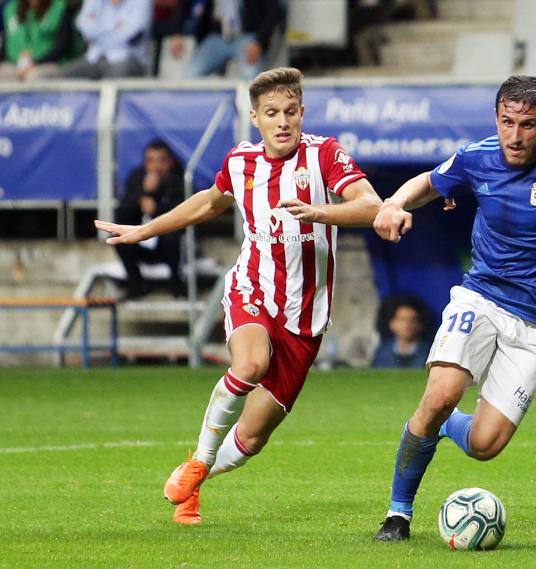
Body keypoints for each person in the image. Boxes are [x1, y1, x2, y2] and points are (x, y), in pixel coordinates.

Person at [94, 67, 382, 525]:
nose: (282, 122)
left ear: (302, 112)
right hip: (253, 288)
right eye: (272, 113)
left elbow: (372, 207)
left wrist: (319, 210)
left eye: (290, 112)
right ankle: (199, 462)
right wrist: (145, 229)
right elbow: (210, 201)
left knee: (251, 439)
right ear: (255, 118)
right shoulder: (240, 162)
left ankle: (197, 472)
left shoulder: (324, 155)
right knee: (249, 365)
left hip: (305, 319)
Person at [371, 75, 536, 541]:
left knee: (485, 445)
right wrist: (393, 203)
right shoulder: (478, 155)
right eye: (507, 122)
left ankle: (442, 425)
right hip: (482, 296)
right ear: (496, 118)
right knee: (441, 391)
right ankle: (398, 513)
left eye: (527, 125)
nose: (515, 135)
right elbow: (430, 182)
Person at [114, 139, 185, 299]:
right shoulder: (136, 178)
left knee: (173, 237)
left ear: (170, 161)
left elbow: (182, 214)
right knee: (119, 237)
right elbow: (121, 214)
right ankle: (136, 284)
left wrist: (157, 210)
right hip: (142, 242)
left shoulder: (180, 180)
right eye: (151, 161)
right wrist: (142, 194)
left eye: (161, 161)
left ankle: (177, 285)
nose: (156, 167)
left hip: (168, 245)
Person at [170, 0, 285, 80]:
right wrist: (176, 33)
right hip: (216, 38)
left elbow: (273, 12)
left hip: (246, 37)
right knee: (191, 75)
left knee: (251, 75)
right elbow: (184, 6)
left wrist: (259, 41)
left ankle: (249, 112)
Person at [60, 0, 150, 78]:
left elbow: (129, 34)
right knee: (60, 79)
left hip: (127, 59)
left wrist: (96, 30)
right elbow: (83, 26)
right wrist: (115, 27)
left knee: (113, 83)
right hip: (93, 58)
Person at [0, 0, 72, 80]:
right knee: (4, 73)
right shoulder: (11, 8)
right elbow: (5, 46)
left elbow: (62, 46)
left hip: (47, 63)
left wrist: (34, 62)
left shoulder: (59, 7)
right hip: (15, 63)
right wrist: (21, 63)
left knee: (33, 76)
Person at [371, 295, 431, 368]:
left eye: (412, 320)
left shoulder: (429, 353)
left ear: (420, 324)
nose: (407, 325)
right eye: (402, 319)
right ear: (391, 323)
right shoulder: (381, 353)